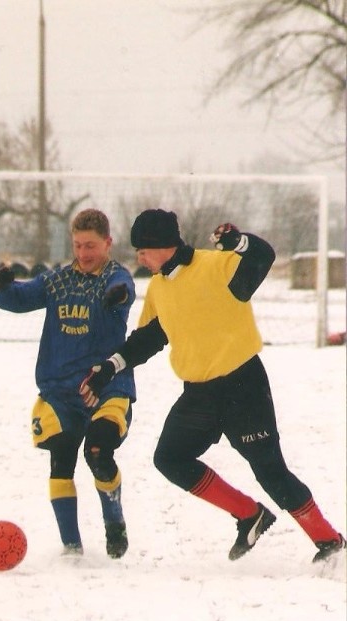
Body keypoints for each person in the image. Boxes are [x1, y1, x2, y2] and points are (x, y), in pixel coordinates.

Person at [80, 210, 345, 564]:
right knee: (169, 458)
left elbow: (263, 255)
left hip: (243, 387)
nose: (140, 258)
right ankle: (250, 514)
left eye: (143, 250)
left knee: (270, 470)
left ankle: (329, 540)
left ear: (162, 246)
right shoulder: (159, 286)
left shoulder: (216, 266)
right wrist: (108, 368)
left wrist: (238, 243)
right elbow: (147, 338)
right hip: (199, 395)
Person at [0, 208, 135, 557]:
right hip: (60, 391)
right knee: (61, 460)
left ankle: (114, 521)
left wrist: (116, 298)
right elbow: (19, 298)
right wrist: (0, 287)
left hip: (106, 388)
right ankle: (71, 547)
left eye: (91, 246)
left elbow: (123, 290)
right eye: (78, 245)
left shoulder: (116, 277)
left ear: (108, 243)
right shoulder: (57, 280)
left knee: (98, 454)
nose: (84, 254)